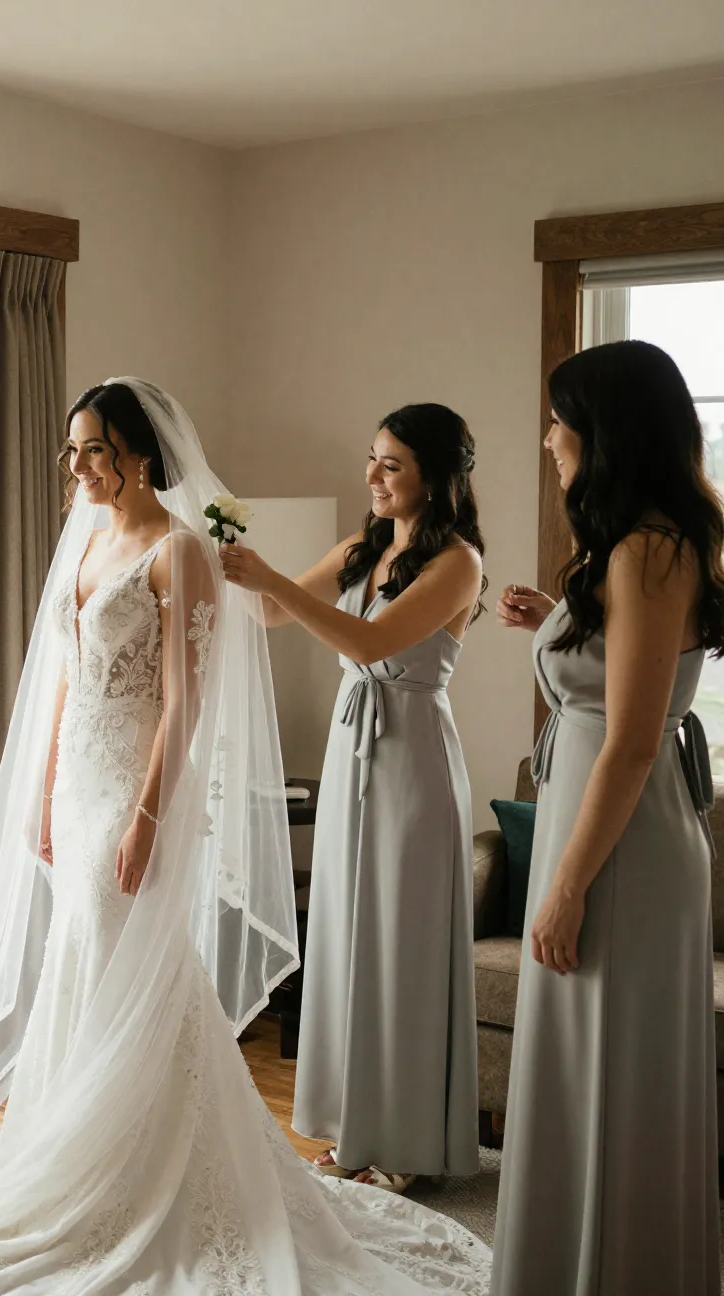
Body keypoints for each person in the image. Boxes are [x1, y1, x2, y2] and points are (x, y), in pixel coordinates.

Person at [0, 379, 490, 1294]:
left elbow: (288, 661)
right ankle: (81, 1144)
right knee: (88, 961)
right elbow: (121, 654)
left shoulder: (444, 562)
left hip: (246, 773)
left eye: (93, 450)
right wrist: (46, 787)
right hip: (85, 780)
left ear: (139, 455)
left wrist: (150, 808)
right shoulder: (110, 540)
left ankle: (156, 1164)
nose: (78, 468)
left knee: (136, 961)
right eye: (73, 452)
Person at [490, 340, 724, 1296]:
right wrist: (557, 618)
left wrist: (562, 890)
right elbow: (626, 682)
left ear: (604, 431)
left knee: (614, 1072)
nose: (548, 437)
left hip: (619, 845)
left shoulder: (648, 548)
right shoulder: (632, 543)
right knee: (581, 1069)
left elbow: (632, 741)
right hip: (600, 823)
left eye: (560, 419)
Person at [221, 404, 485, 1193]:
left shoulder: (458, 563)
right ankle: (353, 1129)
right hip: (351, 753)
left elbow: (369, 644)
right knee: (348, 939)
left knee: (401, 950)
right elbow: (268, 611)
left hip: (411, 761)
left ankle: (407, 1144)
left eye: (392, 465)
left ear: (435, 477)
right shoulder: (363, 547)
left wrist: (271, 578)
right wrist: (218, 562)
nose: (372, 476)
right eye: (372, 459)